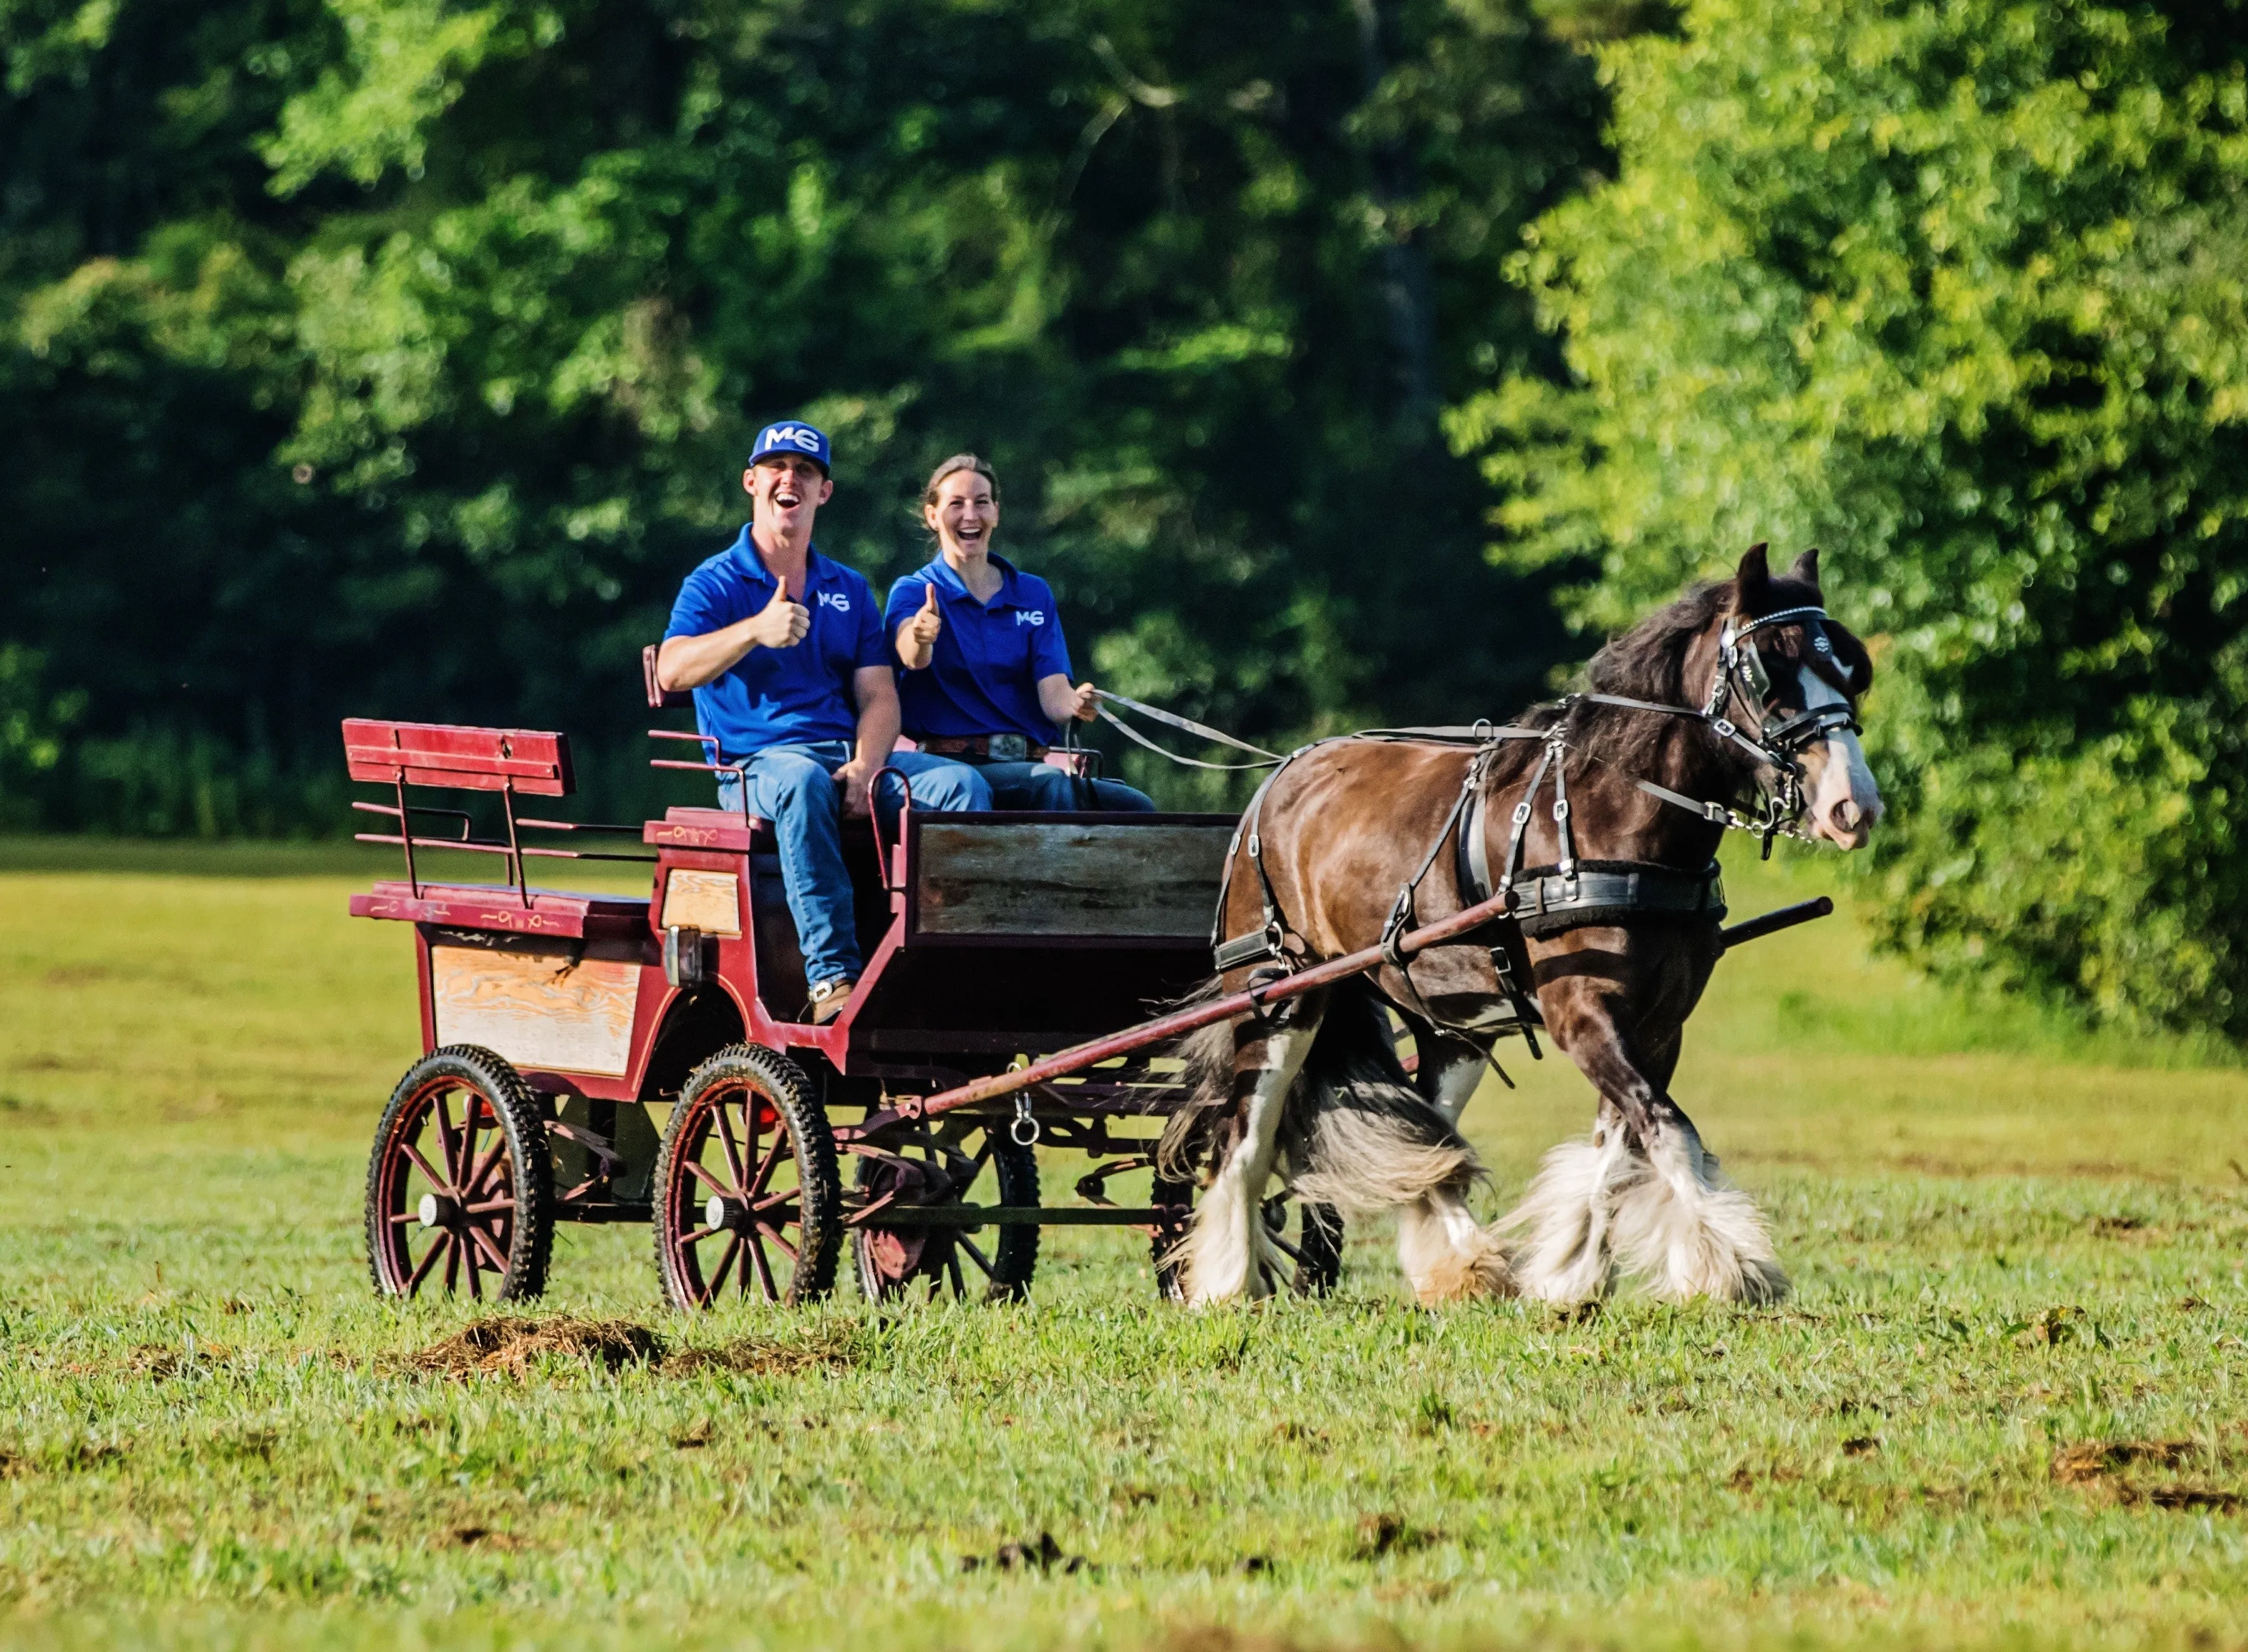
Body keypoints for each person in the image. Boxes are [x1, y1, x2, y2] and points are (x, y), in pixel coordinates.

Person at [657, 421, 991, 1024]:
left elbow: (880, 696)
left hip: (846, 755)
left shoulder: (848, 587)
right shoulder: (715, 581)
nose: (792, 479)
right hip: (758, 766)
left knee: (961, 786)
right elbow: (673, 669)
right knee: (801, 780)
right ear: (751, 482)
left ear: (824, 492)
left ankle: (946, 968)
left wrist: (867, 766)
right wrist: (754, 630)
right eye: (777, 468)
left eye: (806, 471)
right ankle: (833, 977)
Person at [885, 454, 1155, 812]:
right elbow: (910, 654)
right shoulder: (913, 591)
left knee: (1136, 808)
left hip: (1026, 764)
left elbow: (1054, 695)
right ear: (932, 516)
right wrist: (920, 636)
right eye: (956, 504)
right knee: (1052, 787)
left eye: (982, 503)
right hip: (950, 767)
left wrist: (1077, 703)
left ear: (996, 512)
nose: (970, 515)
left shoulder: (1032, 593)